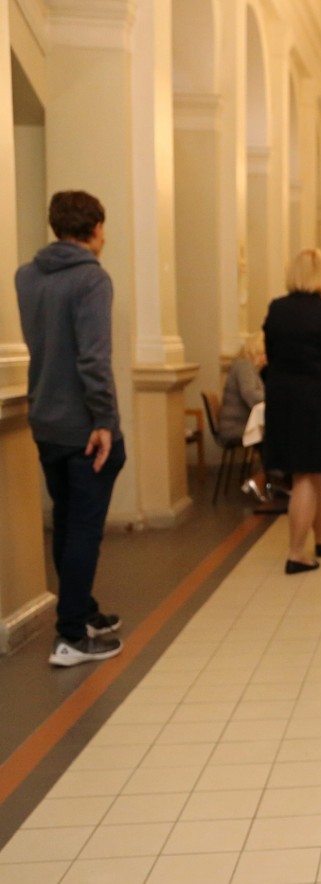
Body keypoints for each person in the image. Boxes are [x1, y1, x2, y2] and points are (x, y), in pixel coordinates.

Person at [16, 190, 127, 666]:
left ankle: (83, 611)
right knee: (83, 528)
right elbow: (93, 359)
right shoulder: (91, 279)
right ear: (97, 228)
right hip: (84, 424)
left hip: (45, 417)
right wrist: (104, 421)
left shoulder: (26, 276)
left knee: (66, 519)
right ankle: (71, 636)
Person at [262, 247, 321, 573]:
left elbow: (271, 353)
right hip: (317, 399)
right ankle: (296, 553)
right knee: (306, 471)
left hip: (282, 398)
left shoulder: (277, 309)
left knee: (312, 470)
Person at [218, 332, 273, 502]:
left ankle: (272, 479)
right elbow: (251, 395)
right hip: (235, 426)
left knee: (277, 435)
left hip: (241, 422)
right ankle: (262, 478)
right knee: (275, 437)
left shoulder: (249, 368)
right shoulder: (244, 366)